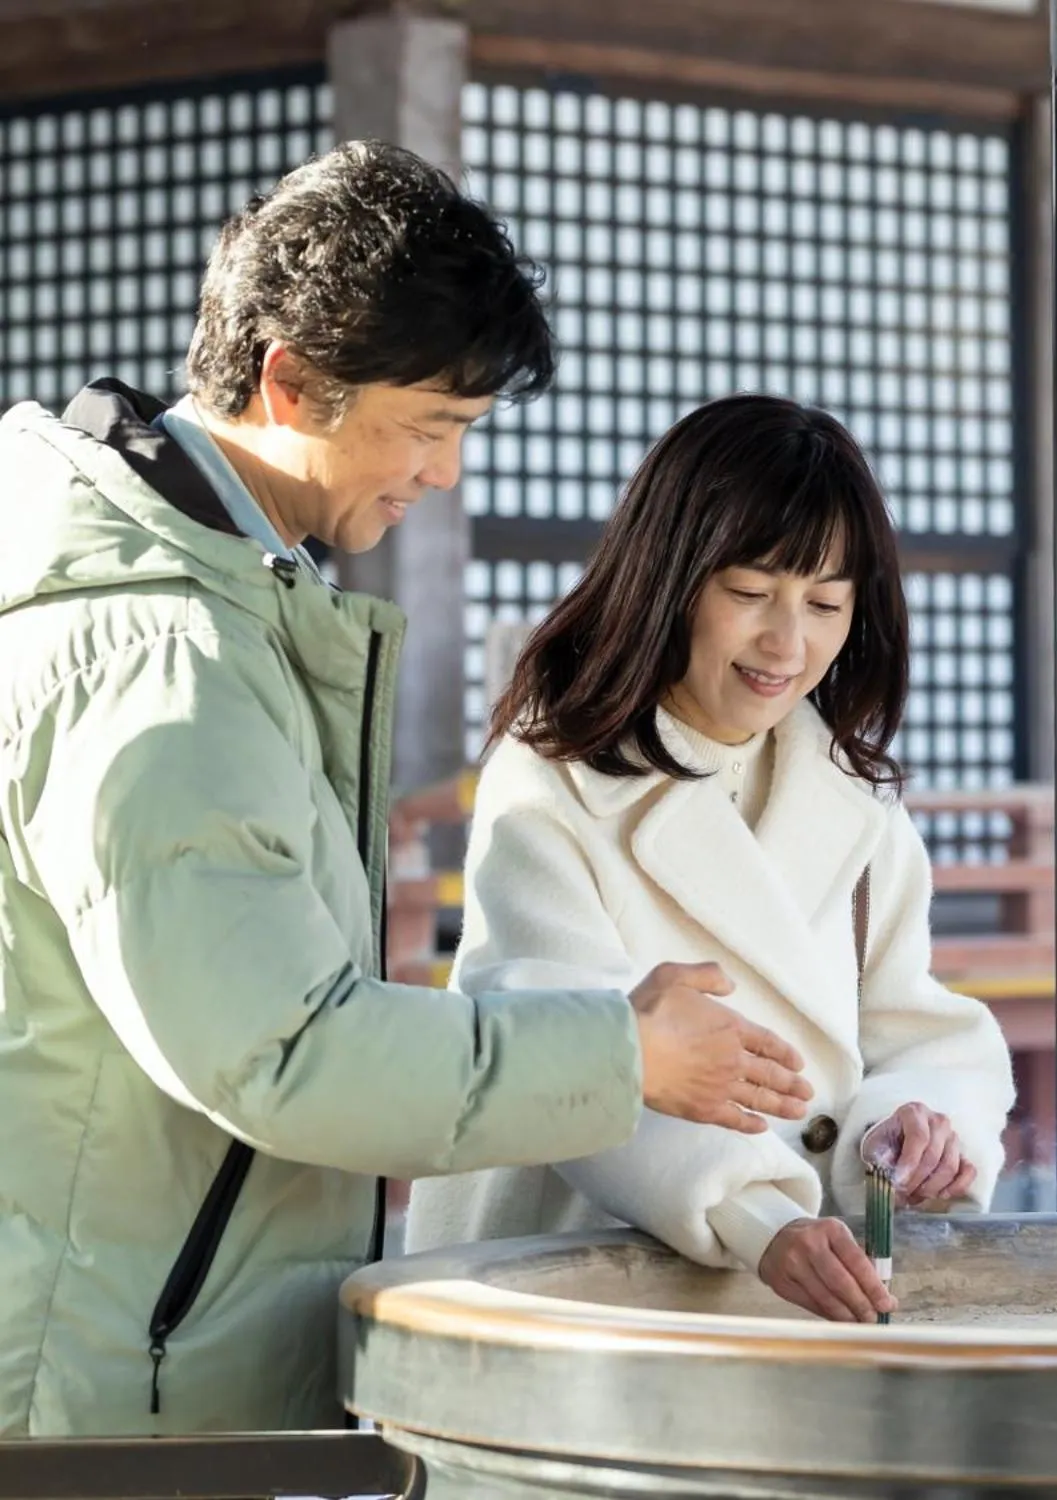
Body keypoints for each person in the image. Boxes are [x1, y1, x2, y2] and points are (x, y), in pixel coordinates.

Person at [0, 142, 814, 1437]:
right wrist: (629, 1054)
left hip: (132, 1342)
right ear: (291, 382)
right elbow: (285, 1050)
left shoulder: (218, 604)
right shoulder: (168, 655)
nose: (444, 474)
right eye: (430, 427)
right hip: (116, 1395)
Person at [406, 395, 1016, 1322]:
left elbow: (909, 1033)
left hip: (800, 1290)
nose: (788, 642)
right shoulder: (553, 781)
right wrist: (754, 1214)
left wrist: (915, 1124)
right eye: (748, 593)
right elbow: (557, 1051)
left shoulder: (855, 801)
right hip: (584, 1293)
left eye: (824, 603)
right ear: (668, 577)